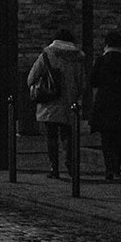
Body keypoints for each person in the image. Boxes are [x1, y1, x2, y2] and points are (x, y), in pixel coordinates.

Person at [26, 28, 89, 179]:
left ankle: (54, 168)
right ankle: (71, 165)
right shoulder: (78, 58)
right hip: (70, 104)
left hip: (50, 103)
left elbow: (31, 78)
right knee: (68, 136)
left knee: (51, 136)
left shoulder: (47, 55)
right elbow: (83, 84)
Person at [87, 30, 121, 179]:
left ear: (106, 44)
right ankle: (117, 165)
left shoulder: (101, 61)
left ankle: (109, 167)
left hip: (104, 102)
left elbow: (93, 81)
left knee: (106, 137)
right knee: (118, 136)